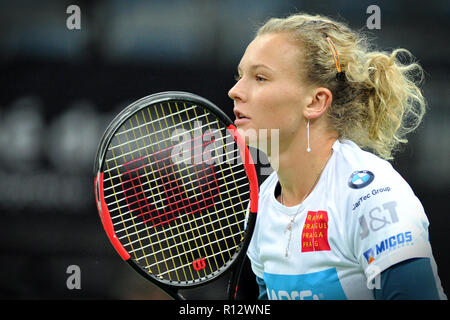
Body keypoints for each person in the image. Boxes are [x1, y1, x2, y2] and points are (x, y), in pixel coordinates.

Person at [228, 12, 446, 300]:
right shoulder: (264, 206)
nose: (235, 91)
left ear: (316, 101)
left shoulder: (374, 197)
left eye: (260, 77)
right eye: (240, 76)